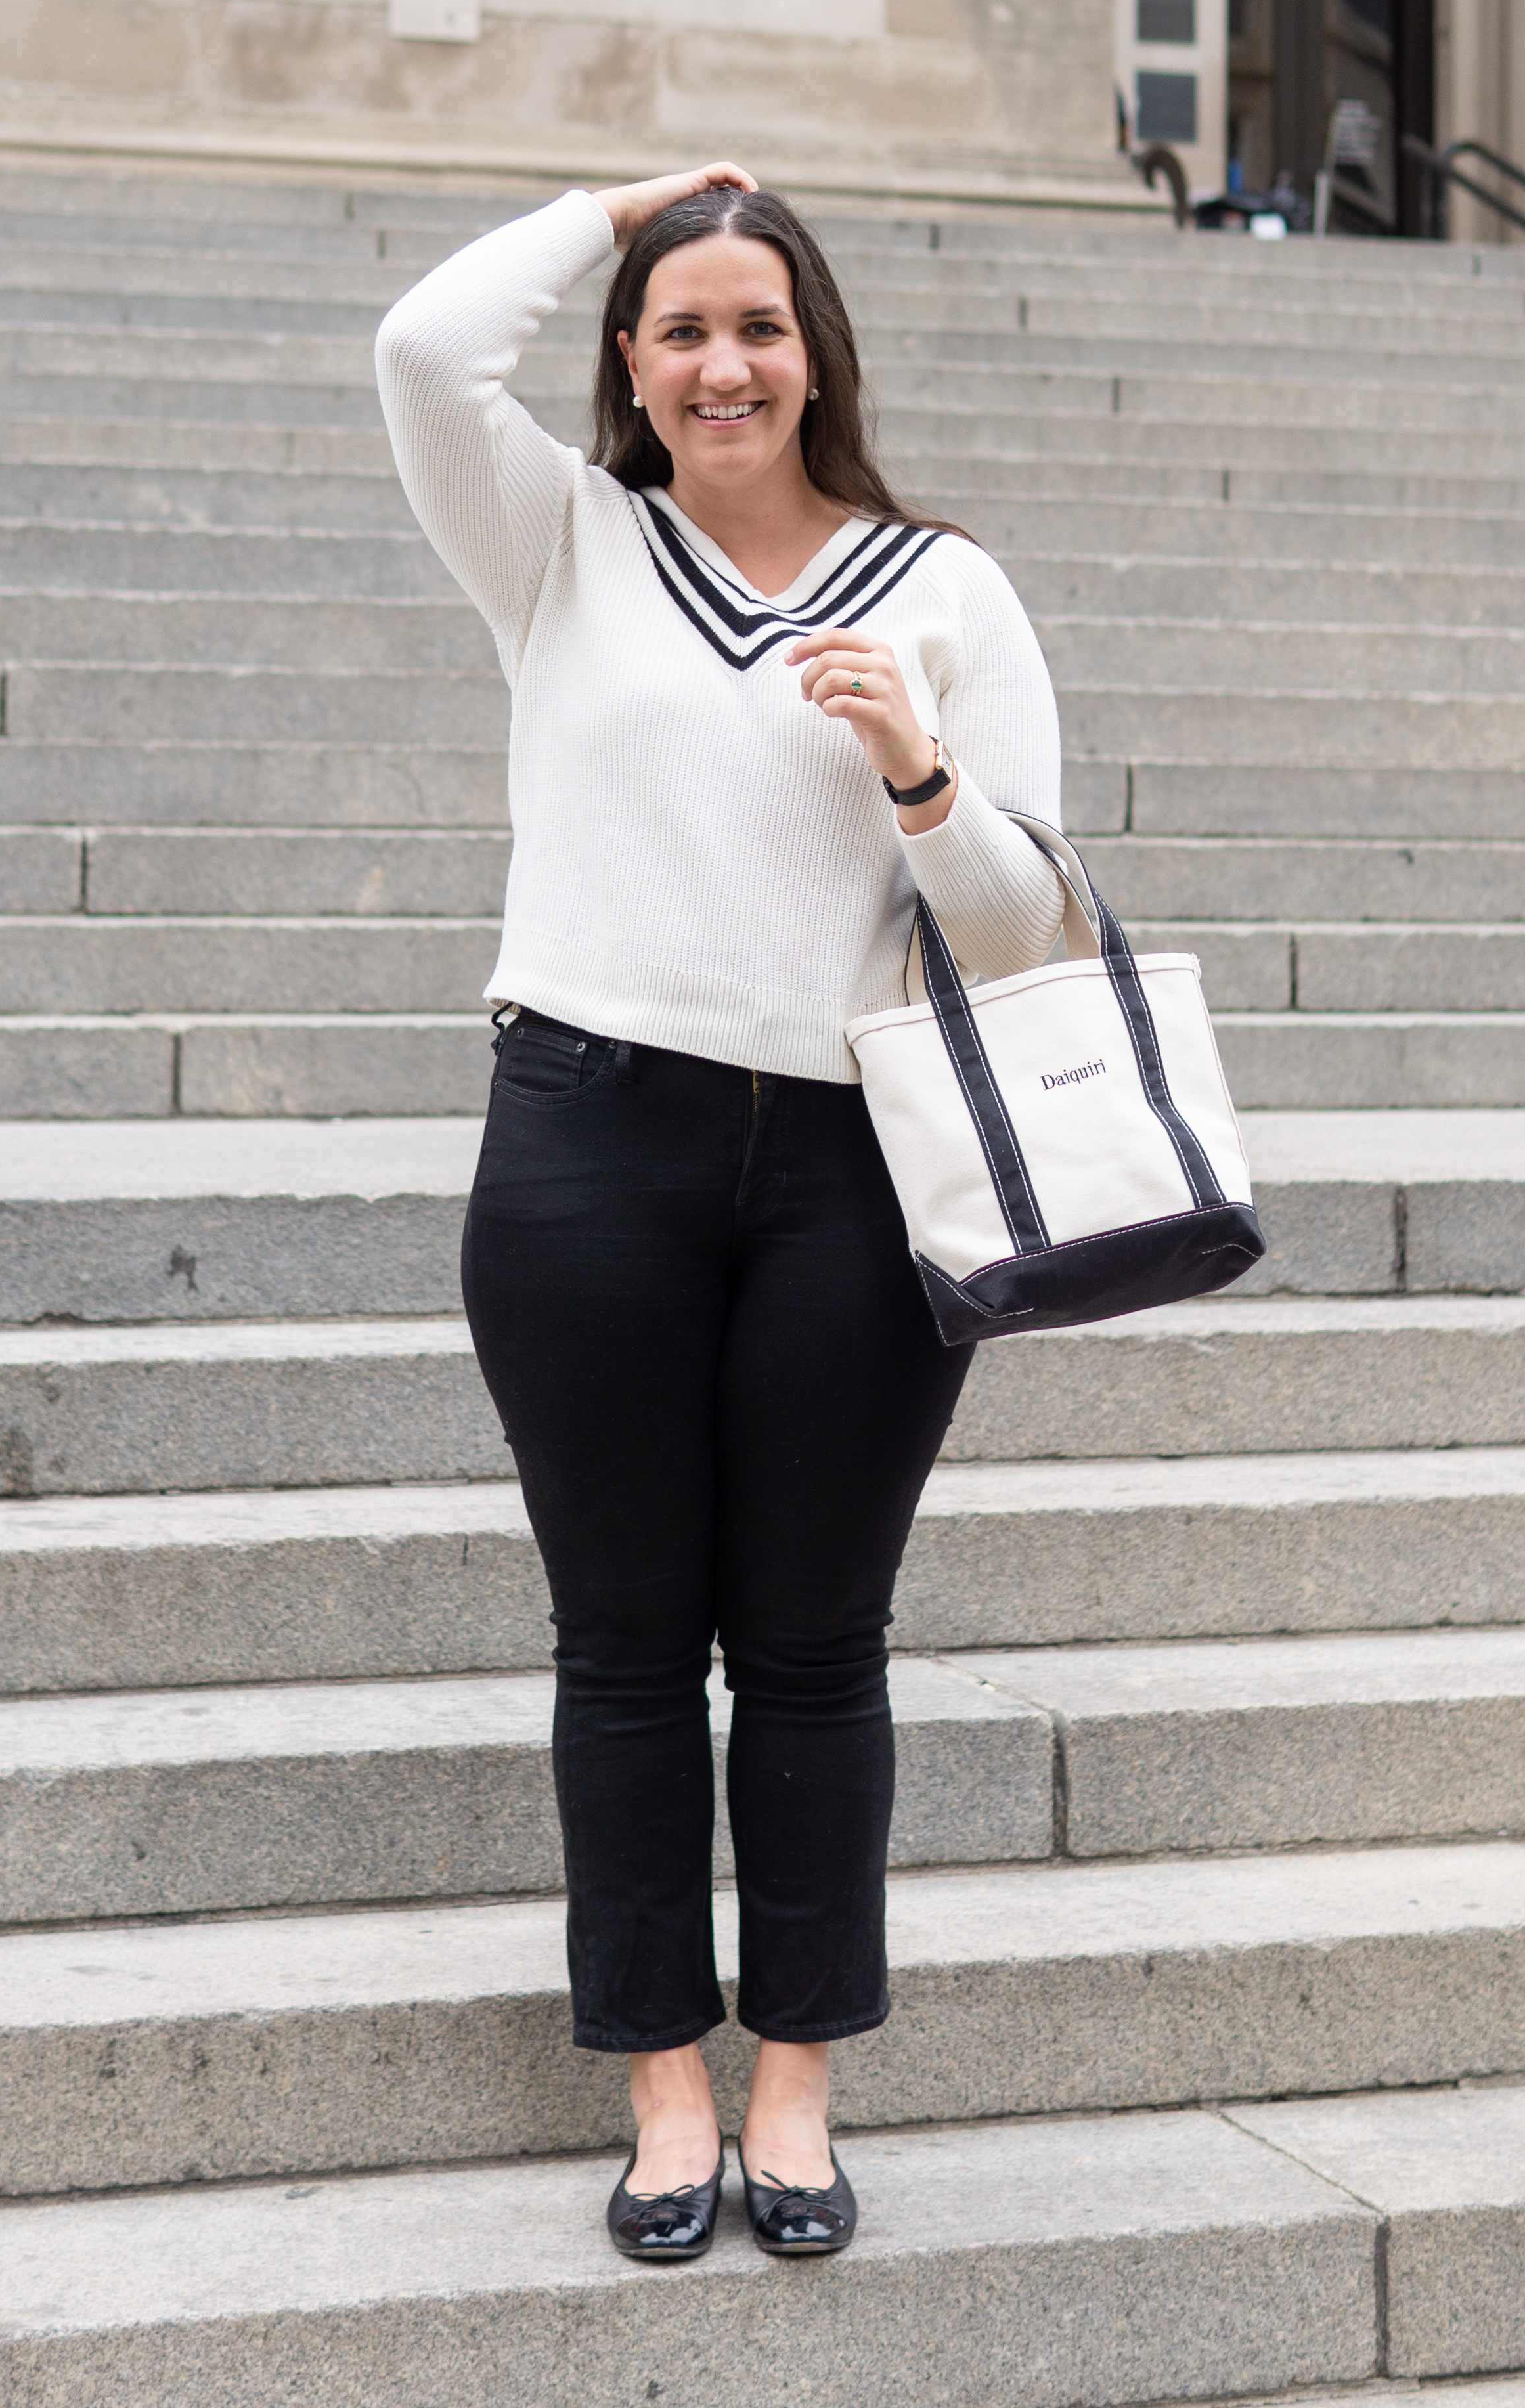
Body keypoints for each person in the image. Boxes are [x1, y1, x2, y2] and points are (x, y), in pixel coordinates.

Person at [374, 161, 1067, 2262]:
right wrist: (627, 203)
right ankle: (661, 2083)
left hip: (856, 1166)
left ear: (817, 352)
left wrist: (921, 772)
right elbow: (422, 344)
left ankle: (796, 2087)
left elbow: (1030, 921)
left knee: (817, 1648)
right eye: (681, 326)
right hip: (591, 1139)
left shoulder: (946, 583)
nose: (723, 360)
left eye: (759, 323)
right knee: (621, 1644)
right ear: (630, 363)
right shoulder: (563, 540)